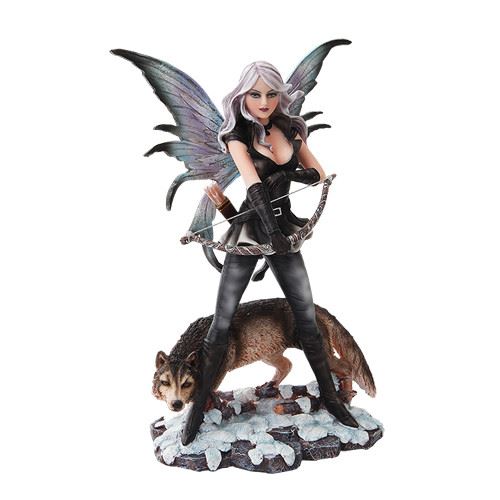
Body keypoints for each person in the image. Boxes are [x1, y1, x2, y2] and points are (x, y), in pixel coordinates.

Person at [181, 61, 358, 446]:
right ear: (243, 96)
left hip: (284, 230)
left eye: (272, 94)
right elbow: (254, 186)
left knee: (306, 318)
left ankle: (332, 400)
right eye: (256, 94)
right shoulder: (236, 134)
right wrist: (272, 232)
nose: (264, 101)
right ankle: (195, 413)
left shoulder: (290, 128)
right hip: (252, 231)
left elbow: (316, 174)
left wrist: (286, 172)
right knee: (221, 323)